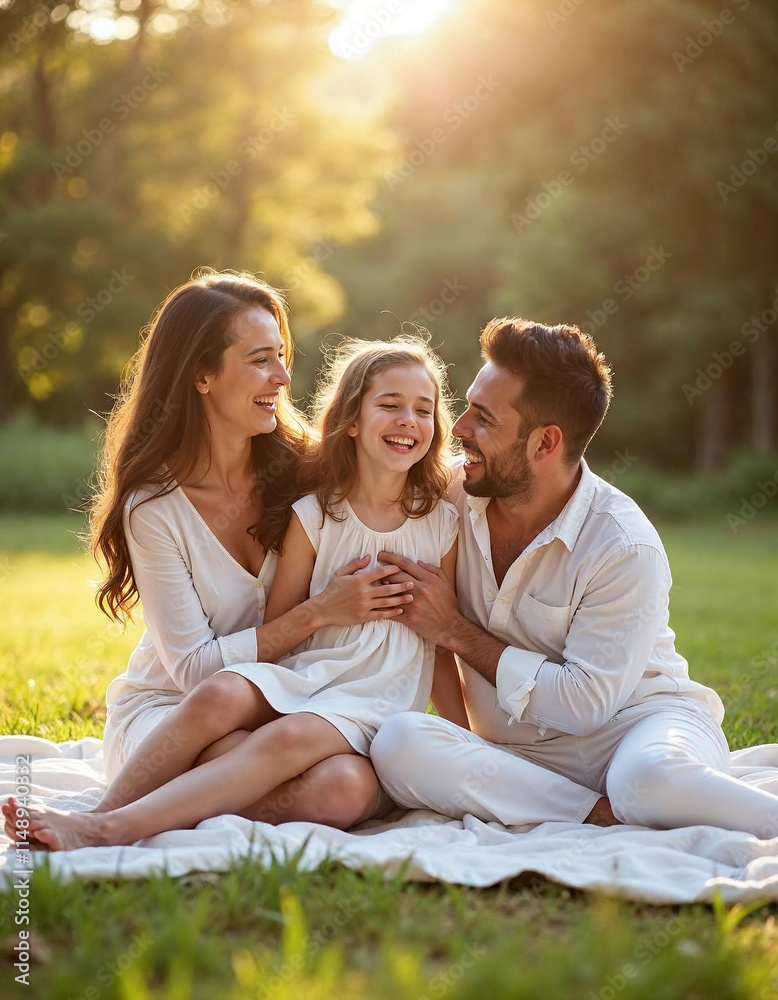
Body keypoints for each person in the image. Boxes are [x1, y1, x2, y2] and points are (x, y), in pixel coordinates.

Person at [2, 270, 415, 845]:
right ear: (202, 375)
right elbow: (196, 671)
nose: (283, 376)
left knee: (343, 786)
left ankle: (140, 818)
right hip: (176, 711)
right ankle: (104, 822)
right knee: (233, 750)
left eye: (282, 356)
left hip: (291, 702)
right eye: (260, 360)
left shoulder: (304, 472)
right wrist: (319, 612)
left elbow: (408, 464)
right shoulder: (155, 508)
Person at [371, 317, 778, 838]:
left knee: (652, 781)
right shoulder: (446, 495)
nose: (458, 429)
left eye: (484, 419)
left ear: (544, 444)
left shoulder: (622, 544)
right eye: (468, 406)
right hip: (515, 754)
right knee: (399, 742)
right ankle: (596, 813)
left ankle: (627, 802)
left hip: (638, 726)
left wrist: (453, 630)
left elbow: (584, 705)